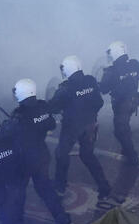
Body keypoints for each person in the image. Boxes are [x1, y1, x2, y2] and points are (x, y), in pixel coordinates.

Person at [6, 78, 72, 224]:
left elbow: (10, 135)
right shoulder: (43, 106)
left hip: (25, 159)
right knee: (45, 188)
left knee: (18, 191)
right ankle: (61, 217)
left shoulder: (19, 114)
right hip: (42, 154)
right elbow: (52, 125)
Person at [49, 56, 116, 203]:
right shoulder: (91, 81)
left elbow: (52, 108)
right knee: (87, 155)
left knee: (61, 154)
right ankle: (104, 187)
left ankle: (60, 187)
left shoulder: (65, 89)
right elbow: (99, 102)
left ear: (66, 70)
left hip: (71, 128)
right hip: (90, 125)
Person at [99, 41, 139, 165]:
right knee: (125, 125)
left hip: (121, 105)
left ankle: (133, 158)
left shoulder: (111, 71)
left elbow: (104, 89)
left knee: (119, 131)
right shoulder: (134, 64)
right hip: (134, 102)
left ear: (115, 52)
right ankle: (126, 147)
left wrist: (99, 81)